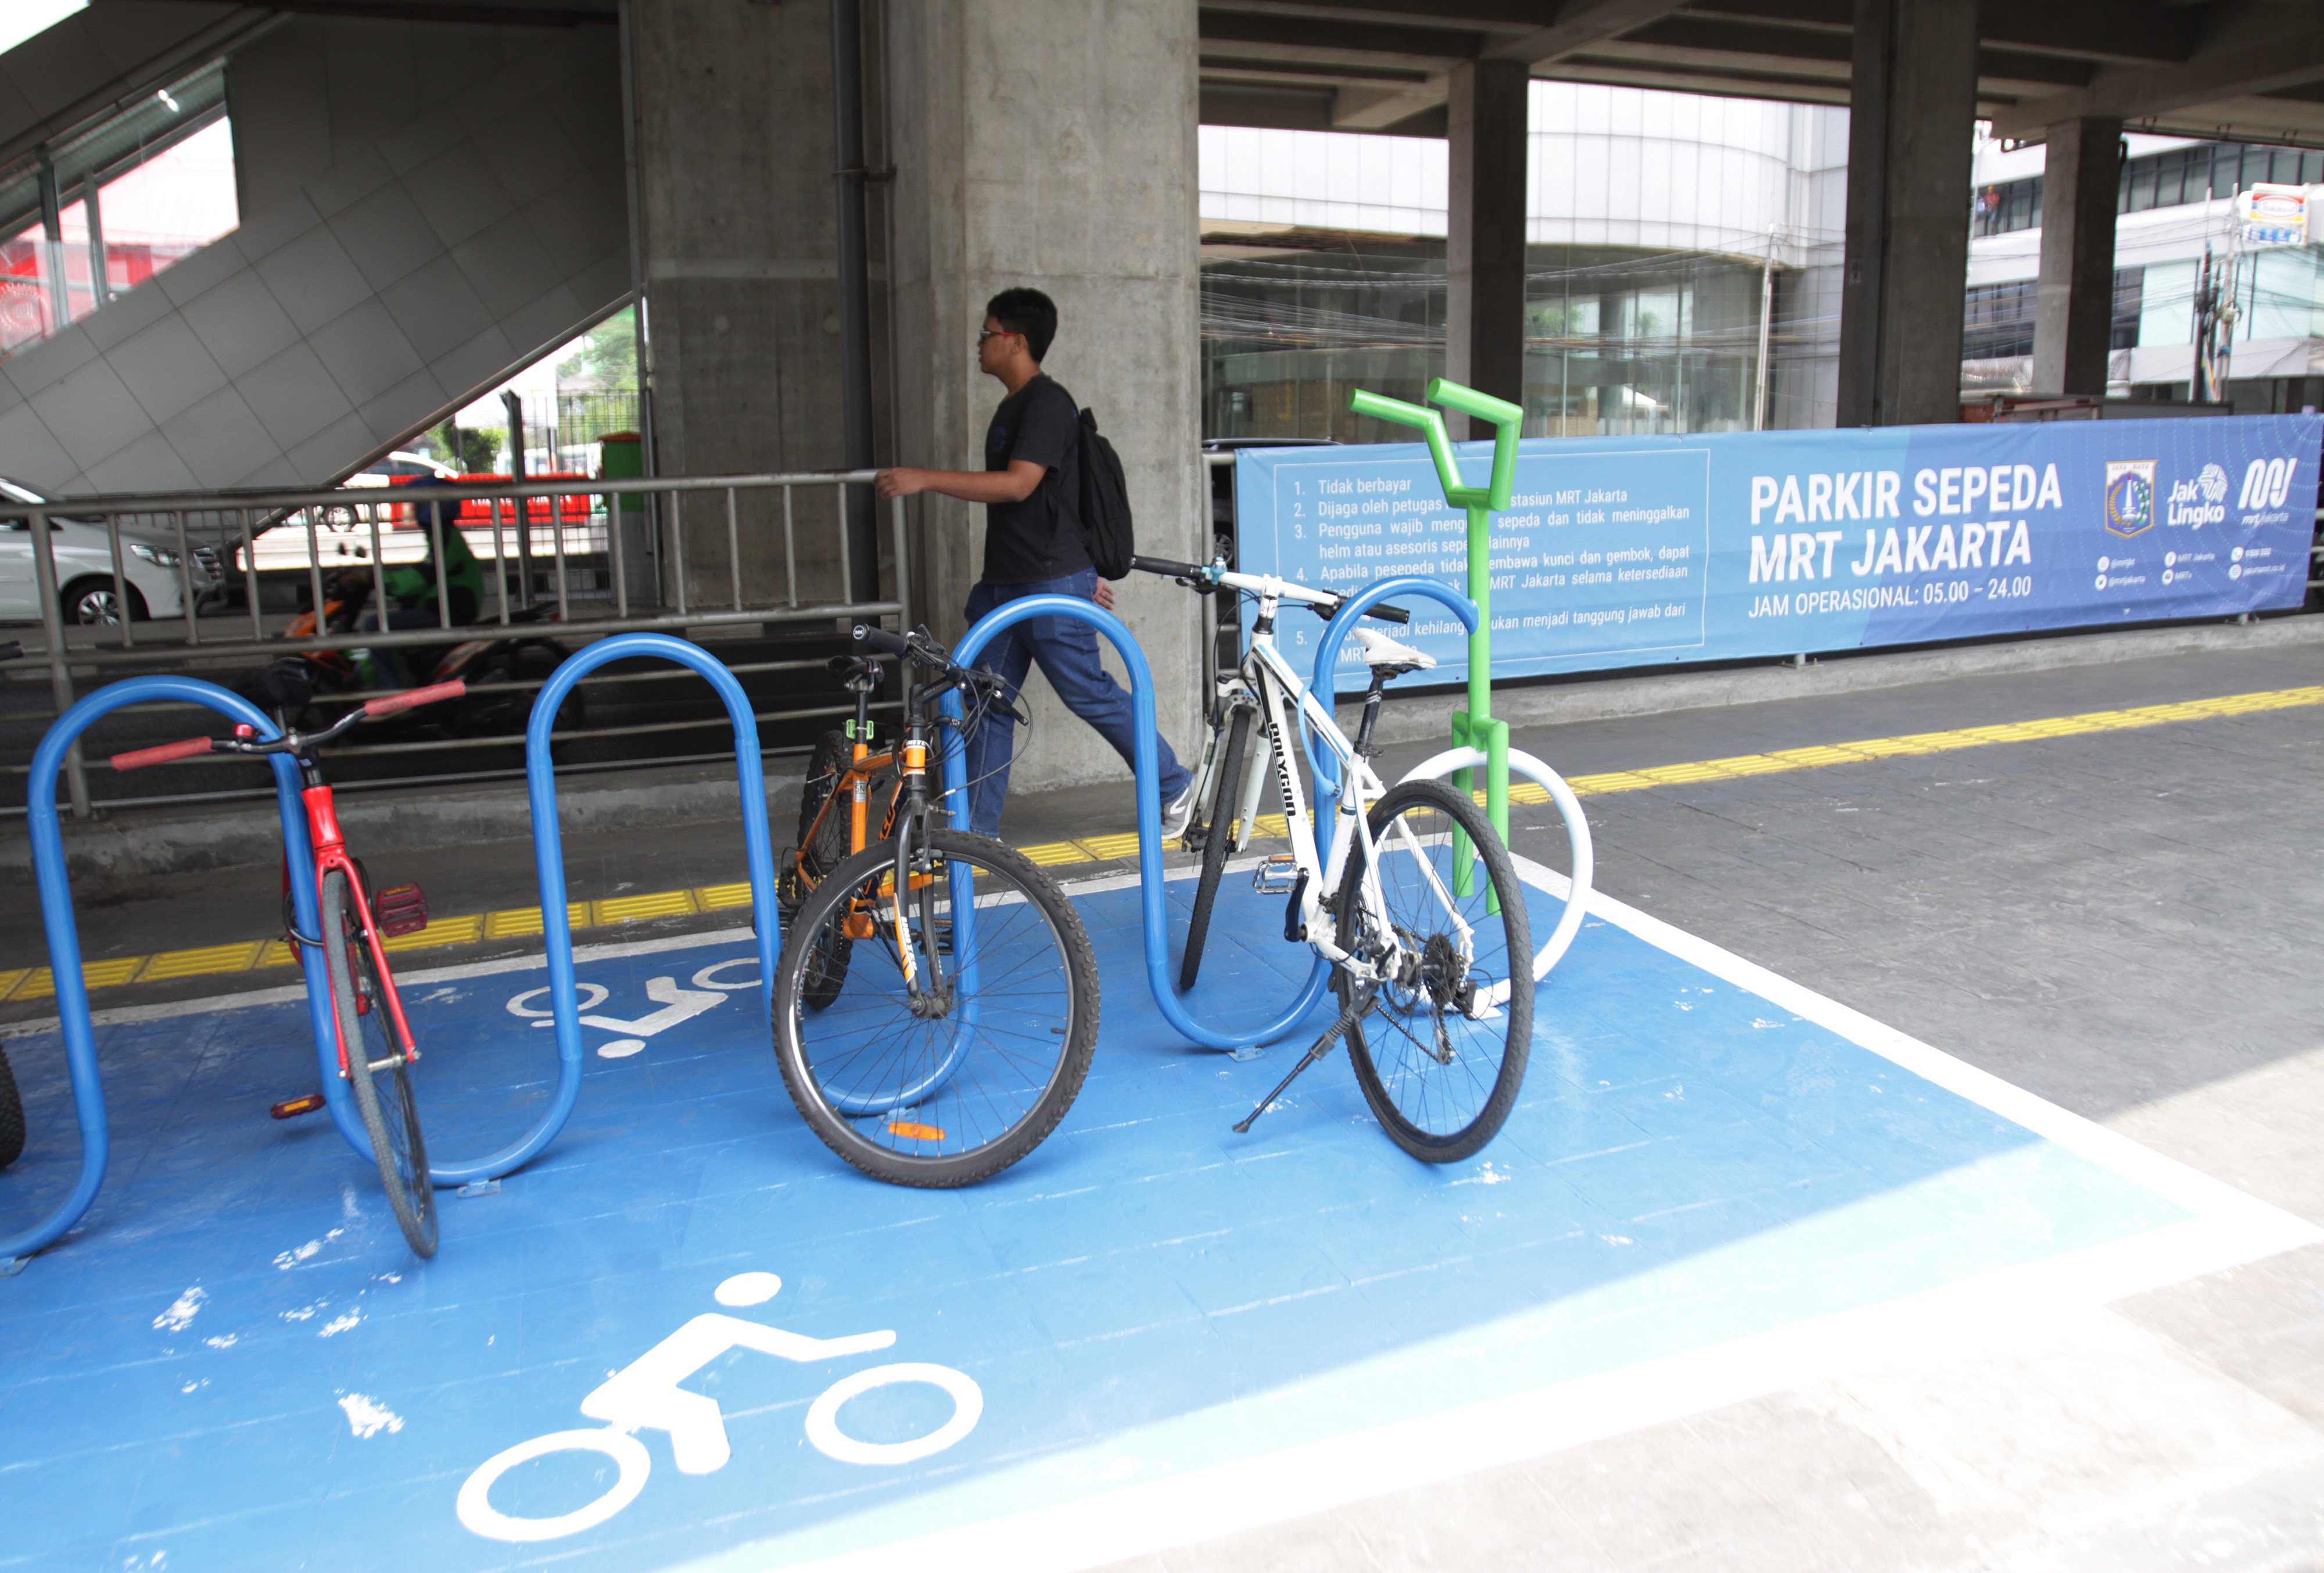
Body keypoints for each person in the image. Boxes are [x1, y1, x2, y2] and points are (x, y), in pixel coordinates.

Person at [875, 287, 1194, 839]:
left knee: (1087, 692)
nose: (979, 344)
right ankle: (978, 836)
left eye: (987, 334)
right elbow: (1054, 501)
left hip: (1044, 582)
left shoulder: (1048, 404)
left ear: (1016, 342)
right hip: (1008, 584)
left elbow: (1021, 485)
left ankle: (1173, 784)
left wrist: (924, 478)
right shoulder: (1013, 407)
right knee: (984, 702)